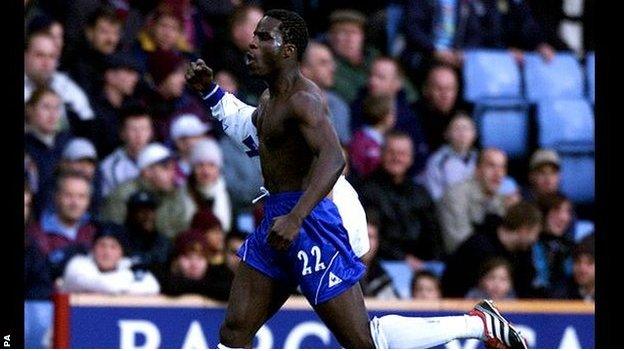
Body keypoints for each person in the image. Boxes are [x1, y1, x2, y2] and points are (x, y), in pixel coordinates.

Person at [185, 9, 526, 348]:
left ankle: (477, 323)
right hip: (280, 218)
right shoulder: (270, 98)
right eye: (254, 36)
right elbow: (253, 131)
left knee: (364, 342)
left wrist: (296, 217)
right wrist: (211, 92)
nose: (252, 45)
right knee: (233, 334)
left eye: (263, 38)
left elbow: (334, 160)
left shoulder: (304, 100)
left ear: (288, 50)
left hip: (309, 221)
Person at [359, 131, 445, 268]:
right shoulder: (366, 190)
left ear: (411, 158)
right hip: (381, 264)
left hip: (421, 266)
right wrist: (403, 258)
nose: (396, 158)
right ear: (381, 154)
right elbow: (369, 236)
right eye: (391, 152)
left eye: (402, 153)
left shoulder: (421, 193)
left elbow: (434, 235)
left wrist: (433, 262)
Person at [441, 201, 542, 298]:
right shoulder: (476, 247)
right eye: (535, 233)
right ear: (523, 230)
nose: (535, 239)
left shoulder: (524, 252)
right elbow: (454, 284)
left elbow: (525, 288)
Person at [437, 148, 511, 254]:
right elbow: (459, 244)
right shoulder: (456, 195)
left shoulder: (502, 198)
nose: (498, 173)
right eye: (491, 166)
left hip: (493, 261)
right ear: (477, 170)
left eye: (502, 167)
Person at [100, 142, 182, 238]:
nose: (172, 174)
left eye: (173, 168)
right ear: (146, 172)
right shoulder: (124, 194)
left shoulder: (173, 193)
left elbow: (178, 232)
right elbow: (112, 233)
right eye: (165, 168)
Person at [60, 222, 161, 295]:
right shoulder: (78, 264)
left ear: (121, 253)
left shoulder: (127, 264)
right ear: (93, 249)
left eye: (113, 247)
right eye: (102, 245)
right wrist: (130, 277)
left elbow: (153, 286)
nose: (107, 252)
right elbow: (106, 285)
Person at [155, 228, 233, 301]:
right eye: (188, 257)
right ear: (176, 261)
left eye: (200, 258)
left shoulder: (221, 274)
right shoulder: (162, 277)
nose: (194, 264)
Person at [301, 41, 352, 144]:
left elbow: (342, 148)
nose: (332, 68)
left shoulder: (338, 105)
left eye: (331, 62)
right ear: (304, 69)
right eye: (323, 63)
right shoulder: (285, 103)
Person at [420, 112, 478, 201]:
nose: (462, 134)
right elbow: (435, 196)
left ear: (474, 134)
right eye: (457, 129)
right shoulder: (437, 161)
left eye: (466, 128)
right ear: (447, 134)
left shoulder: (481, 158)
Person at [99, 105, 154, 197]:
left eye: (144, 129)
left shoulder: (163, 159)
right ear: (122, 133)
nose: (139, 135)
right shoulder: (108, 167)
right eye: (133, 129)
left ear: (151, 132)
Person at [348, 94, 396, 177]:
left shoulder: (388, 139)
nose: (394, 117)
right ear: (385, 115)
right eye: (392, 112)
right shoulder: (360, 140)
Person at [124, 190, 172, 271]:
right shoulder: (119, 239)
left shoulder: (162, 242)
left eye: (151, 210)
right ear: (131, 214)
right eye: (142, 211)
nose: (148, 216)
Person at [359, 209, 400, 299]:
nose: (366, 242)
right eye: (363, 236)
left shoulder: (382, 276)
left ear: (378, 242)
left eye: (371, 237)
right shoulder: (341, 271)